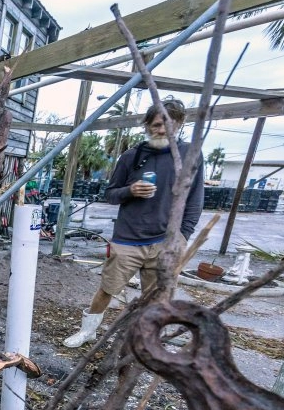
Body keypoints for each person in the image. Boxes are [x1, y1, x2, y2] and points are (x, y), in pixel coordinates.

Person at [63, 98, 204, 348]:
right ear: (147, 125)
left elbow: (195, 199)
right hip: (128, 238)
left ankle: (146, 340)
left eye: (168, 125)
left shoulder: (190, 155)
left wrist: (183, 236)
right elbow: (110, 193)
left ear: (180, 124)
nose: (161, 130)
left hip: (165, 240)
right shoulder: (132, 156)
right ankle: (88, 332)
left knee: (155, 297)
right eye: (156, 125)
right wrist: (130, 191)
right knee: (107, 288)